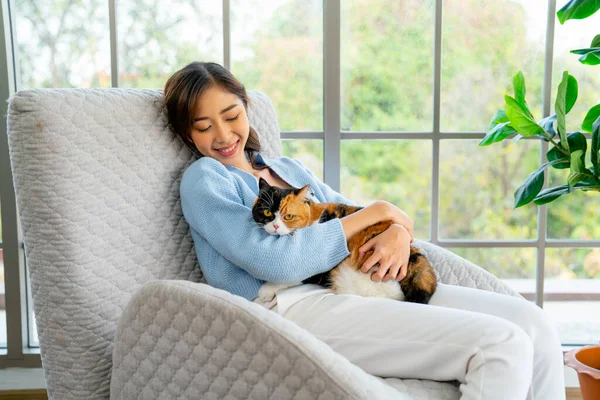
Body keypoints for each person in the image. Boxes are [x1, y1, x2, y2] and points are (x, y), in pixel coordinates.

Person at [164, 61, 566, 400]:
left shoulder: (289, 170)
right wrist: (380, 212)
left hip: (357, 281)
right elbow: (273, 260)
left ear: (246, 109)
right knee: (501, 344)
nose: (222, 134)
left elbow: (369, 219)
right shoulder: (205, 180)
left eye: (231, 116)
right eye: (203, 126)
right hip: (290, 306)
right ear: (187, 134)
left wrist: (398, 232)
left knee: (535, 326)